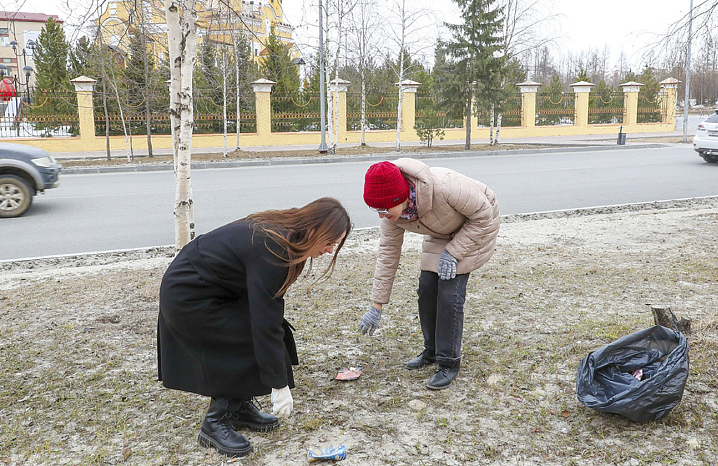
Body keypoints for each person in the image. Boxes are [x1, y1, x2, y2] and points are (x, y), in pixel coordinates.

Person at [157, 197, 351, 457]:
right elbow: (265, 321)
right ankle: (215, 422)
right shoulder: (275, 246)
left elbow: (268, 312)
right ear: (315, 229)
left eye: (335, 245)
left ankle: (238, 406)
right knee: (251, 337)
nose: (329, 250)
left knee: (271, 334)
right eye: (329, 242)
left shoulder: (287, 235)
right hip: (188, 297)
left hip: (211, 292)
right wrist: (279, 385)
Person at [359, 159, 499, 390]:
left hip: (477, 225)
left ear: (399, 198)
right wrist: (377, 305)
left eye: (383, 209)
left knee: (449, 294)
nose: (381, 215)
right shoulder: (392, 215)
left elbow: (483, 215)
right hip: (442, 229)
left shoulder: (444, 186)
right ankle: (432, 350)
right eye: (376, 210)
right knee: (427, 288)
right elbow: (387, 255)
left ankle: (449, 362)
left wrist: (454, 253)